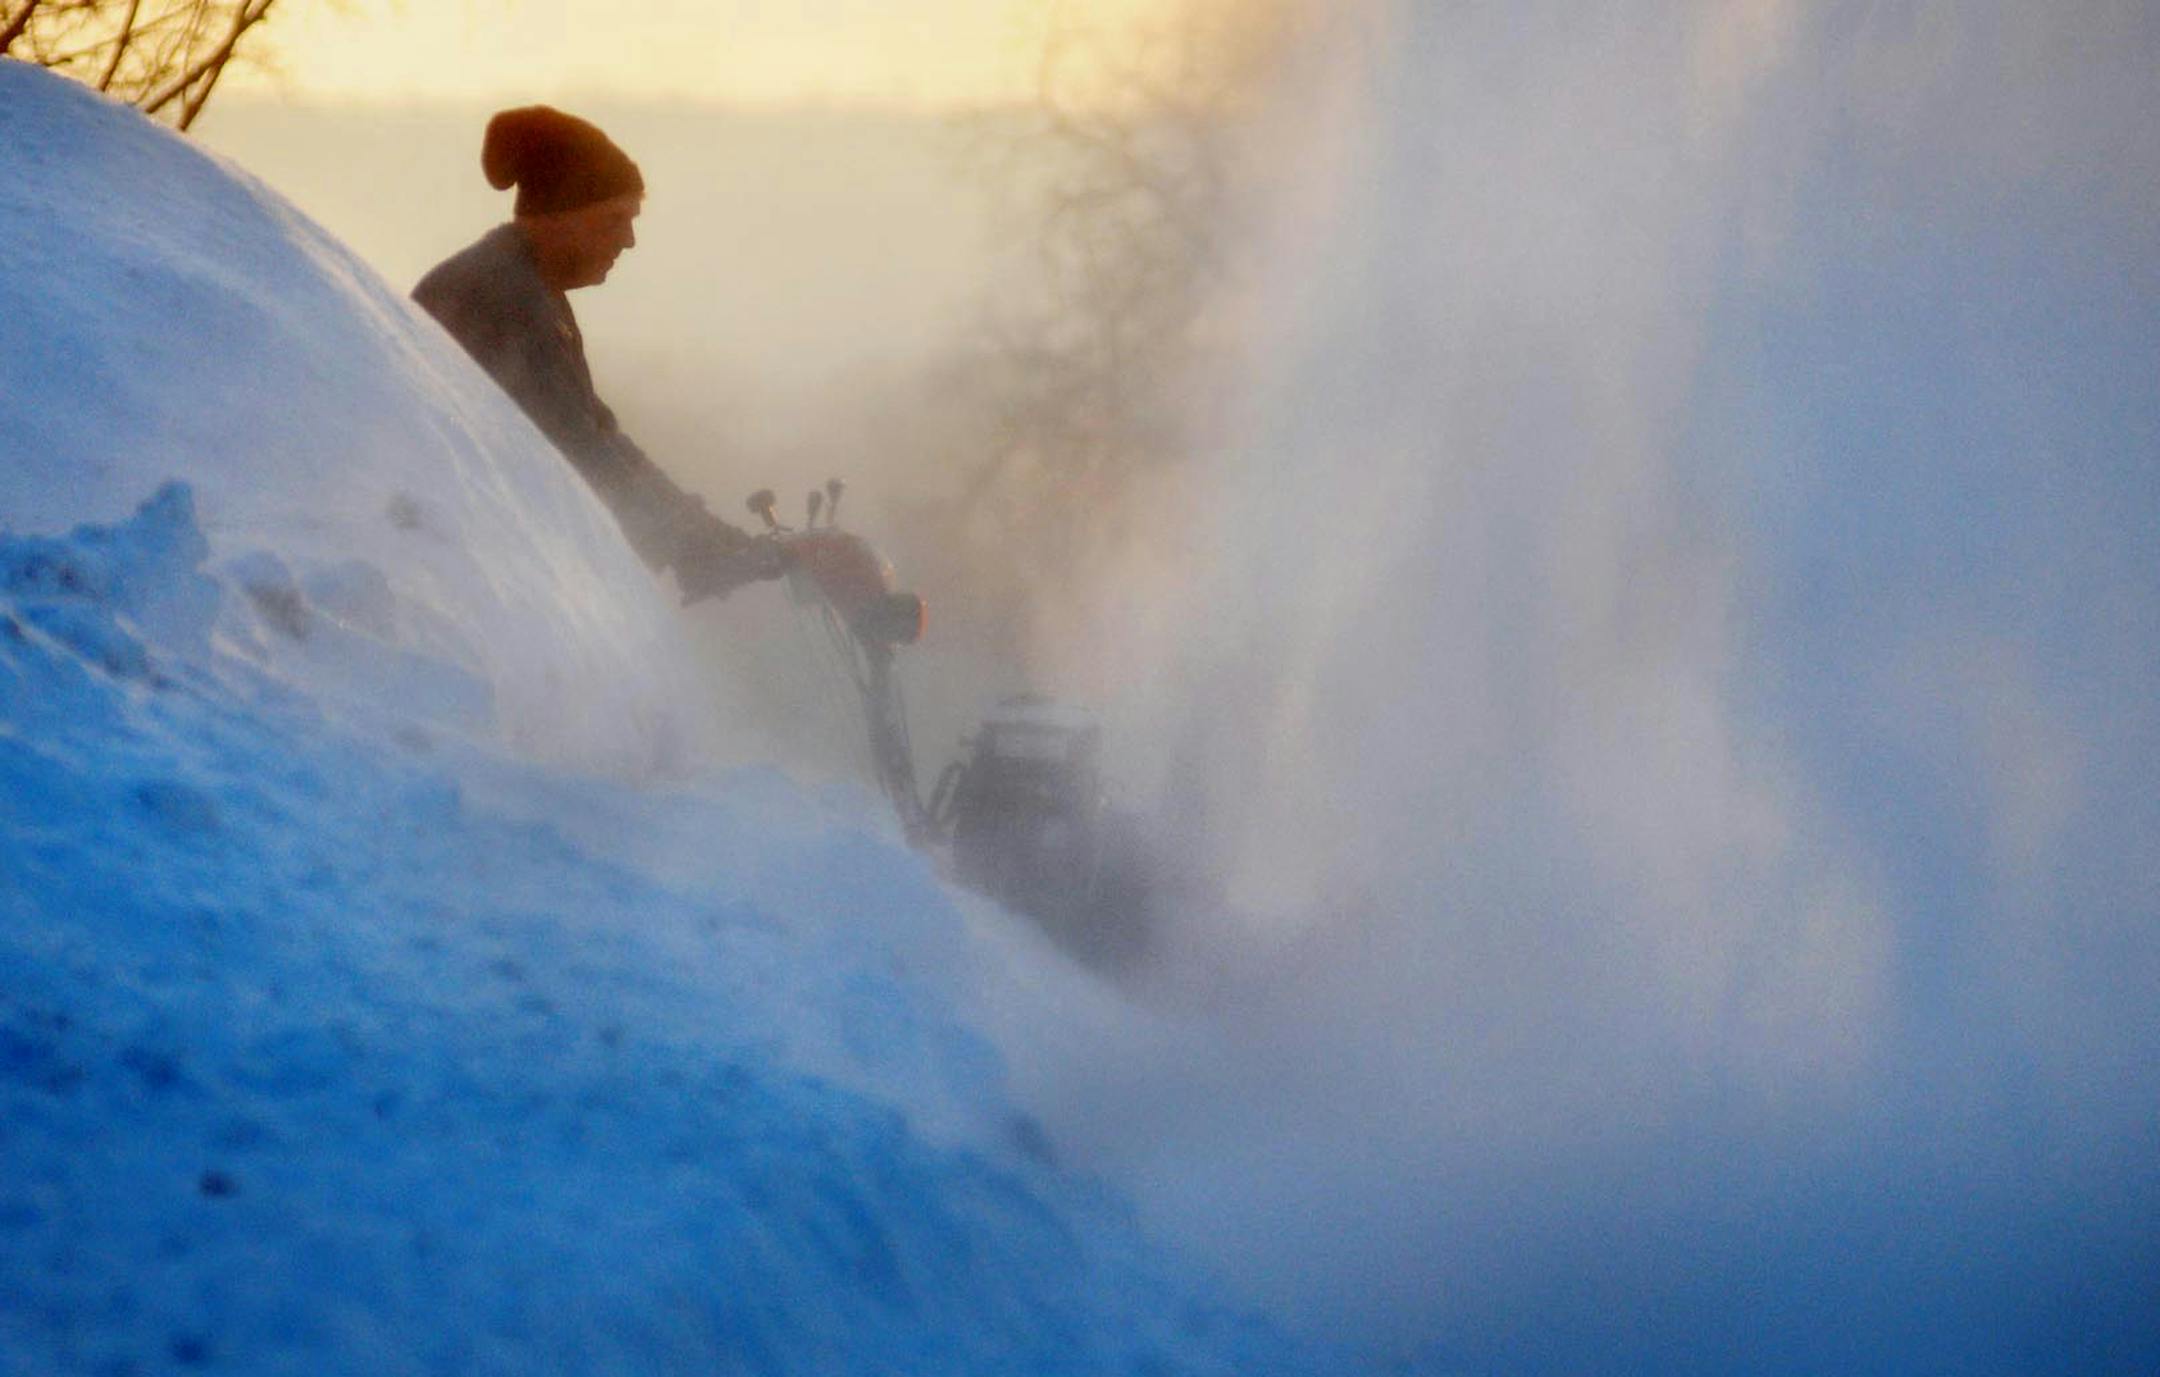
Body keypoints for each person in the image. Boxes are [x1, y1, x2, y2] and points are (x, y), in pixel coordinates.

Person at [413, 105, 773, 602]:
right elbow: (569, 451)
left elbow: (601, 436)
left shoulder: (529, 287)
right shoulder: (502, 299)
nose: (628, 240)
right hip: (446, 570)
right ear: (559, 216)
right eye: (614, 219)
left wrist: (711, 536)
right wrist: (691, 545)